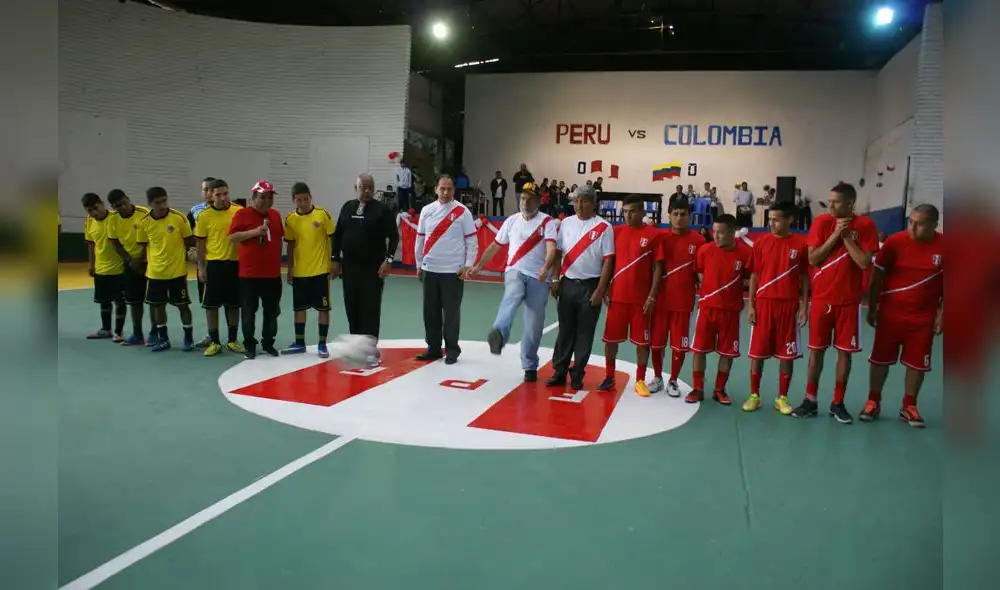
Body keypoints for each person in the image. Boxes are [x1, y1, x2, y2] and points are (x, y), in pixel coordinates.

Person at [792, 182, 879, 423]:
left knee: (845, 354)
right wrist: (834, 236)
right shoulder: (821, 222)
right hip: (821, 300)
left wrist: (847, 238)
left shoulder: (866, 226)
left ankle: (838, 403)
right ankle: (810, 399)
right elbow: (814, 258)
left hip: (848, 303)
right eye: (829, 200)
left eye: (836, 201)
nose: (830, 205)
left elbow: (864, 263)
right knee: (816, 353)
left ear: (850, 203)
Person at [862, 204, 943, 428]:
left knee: (918, 364)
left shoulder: (945, 246)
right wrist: (872, 306)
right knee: (880, 360)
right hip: (891, 314)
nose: (912, 226)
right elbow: (877, 276)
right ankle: (873, 402)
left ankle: (909, 406)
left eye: (919, 223)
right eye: (911, 221)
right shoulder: (895, 242)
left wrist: (943, 314)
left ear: (934, 225)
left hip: (922, 318)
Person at [470, 182, 557, 382]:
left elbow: (552, 248)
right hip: (515, 271)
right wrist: (478, 266)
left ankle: (529, 365)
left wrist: (546, 267)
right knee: (513, 294)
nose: (524, 202)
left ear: (538, 201)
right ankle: (499, 333)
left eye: (529, 199)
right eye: (522, 198)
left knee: (534, 326)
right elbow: (495, 246)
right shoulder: (511, 221)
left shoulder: (547, 223)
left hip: (538, 278)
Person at [547, 186, 614, 391]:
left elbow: (608, 262)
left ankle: (577, 374)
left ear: (594, 204)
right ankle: (559, 372)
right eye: (576, 201)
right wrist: (556, 279)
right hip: (567, 284)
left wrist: (600, 291)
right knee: (565, 331)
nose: (579, 205)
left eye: (584, 201)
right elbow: (558, 254)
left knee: (585, 333)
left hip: (590, 286)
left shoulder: (604, 227)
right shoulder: (566, 223)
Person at [744, 202, 809, 413]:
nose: (771, 223)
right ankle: (754, 395)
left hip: (788, 307)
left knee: (786, 355)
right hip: (763, 305)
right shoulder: (761, 243)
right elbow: (754, 276)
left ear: (790, 220)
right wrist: (751, 306)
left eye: (776, 219)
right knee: (757, 354)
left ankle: (782, 397)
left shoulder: (801, 245)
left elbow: (805, 278)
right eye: (770, 219)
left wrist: (803, 306)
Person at [331, 174, 399, 365]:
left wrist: (388, 260)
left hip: (373, 269)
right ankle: (356, 347)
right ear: (356, 188)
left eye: (370, 187)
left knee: (370, 309)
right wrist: (335, 259)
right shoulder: (347, 207)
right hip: (350, 268)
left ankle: (371, 350)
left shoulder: (382, 210)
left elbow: (394, 237)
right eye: (363, 187)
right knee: (352, 306)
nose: (367, 191)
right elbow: (338, 235)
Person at [686, 214, 752, 404]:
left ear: (733, 233)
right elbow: (699, 274)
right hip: (707, 309)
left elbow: (749, 278)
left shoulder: (745, 254)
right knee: (699, 350)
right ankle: (698, 388)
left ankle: (719, 390)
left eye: (721, 233)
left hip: (730, 311)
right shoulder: (705, 251)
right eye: (715, 232)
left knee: (727, 352)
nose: (716, 236)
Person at [600, 195, 663, 396]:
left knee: (642, 343)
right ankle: (609, 377)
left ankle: (640, 380)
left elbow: (658, 267)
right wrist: (605, 288)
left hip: (640, 301)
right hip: (617, 298)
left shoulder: (654, 235)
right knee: (610, 340)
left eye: (633, 211)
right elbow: (608, 263)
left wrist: (652, 296)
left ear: (643, 212)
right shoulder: (615, 232)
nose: (628, 215)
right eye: (625, 211)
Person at [414, 175, 477, 364]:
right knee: (430, 312)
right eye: (442, 188)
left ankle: (452, 350)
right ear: (436, 189)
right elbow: (420, 239)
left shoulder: (462, 212)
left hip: (453, 271)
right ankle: (433, 349)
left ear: (454, 191)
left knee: (451, 313)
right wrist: (419, 265)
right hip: (430, 269)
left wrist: (468, 265)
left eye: (449, 189)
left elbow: (472, 241)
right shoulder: (426, 211)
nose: (445, 192)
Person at [647, 201, 707, 396]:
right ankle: (657, 377)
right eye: (675, 214)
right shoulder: (660, 238)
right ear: (669, 215)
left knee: (679, 345)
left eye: (683, 214)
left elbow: (702, 272)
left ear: (689, 216)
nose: (679, 218)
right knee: (656, 342)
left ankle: (673, 380)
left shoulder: (699, 241)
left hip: (683, 302)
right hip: (660, 301)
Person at [135, 186, 197, 352]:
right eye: (158, 202)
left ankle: (188, 338)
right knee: (158, 307)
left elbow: (190, 240)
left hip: (177, 273)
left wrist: (197, 254)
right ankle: (163, 339)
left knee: (183, 306)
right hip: (155, 274)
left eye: (164, 201)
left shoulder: (179, 218)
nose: (162, 205)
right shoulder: (144, 223)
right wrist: (136, 264)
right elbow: (142, 248)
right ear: (150, 204)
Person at [228, 180, 284, 359]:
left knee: (272, 311)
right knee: (248, 312)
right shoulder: (242, 214)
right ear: (253, 198)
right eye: (262, 197)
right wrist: (254, 232)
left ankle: (268, 343)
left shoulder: (275, 215)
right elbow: (233, 237)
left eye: (269, 197)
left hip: (273, 275)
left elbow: (279, 238)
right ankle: (249, 345)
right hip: (249, 275)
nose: (267, 201)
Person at [282, 182, 335, 358]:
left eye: (306, 199)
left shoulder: (322, 215)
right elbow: (290, 246)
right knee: (299, 309)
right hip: (300, 272)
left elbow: (332, 239)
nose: (303, 203)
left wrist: (334, 262)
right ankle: (299, 343)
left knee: (323, 309)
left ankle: (322, 344)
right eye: (299, 200)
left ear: (311, 197)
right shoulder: (290, 219)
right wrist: (290, 268)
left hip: (320, 271)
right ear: (293, 201)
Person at [194, 178, 244, 356]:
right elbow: (200, 244)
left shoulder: (239, 211)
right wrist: (201, 267)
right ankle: (214, 341)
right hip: (214, 265)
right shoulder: (204, 216)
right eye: (218, 195)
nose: (222, 198)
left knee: (233, 304)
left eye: (225, 193)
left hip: (235, 264)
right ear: (210, 195)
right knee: (211, 306)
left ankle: (232, 340)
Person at [106, 189, 154, 346]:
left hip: (150, 262)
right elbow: (115, 243)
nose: (121, 208)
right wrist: (130, 260)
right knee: (134, 301)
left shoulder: (144, 213)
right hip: (130, 265)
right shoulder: (112, 220)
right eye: (117, 206)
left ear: (128, 199)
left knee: (155, 301)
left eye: (123, 204)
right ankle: (137, 334)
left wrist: (142, 259)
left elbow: (153, 239)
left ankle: (155, 333)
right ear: (113, 207)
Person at [82, 192, 126, 341]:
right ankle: (105, 329)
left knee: (120, 301)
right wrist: (91, 264)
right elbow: (91, 244)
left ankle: (119, 332)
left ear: (102, 203)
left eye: (95, 208)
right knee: (104, 301)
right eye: (90, 210)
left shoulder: (116, 217)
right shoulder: (89, 221)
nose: (94, 213)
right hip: (101, 269)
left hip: (119, 269)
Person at [188, 177, 215, 348]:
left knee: (229, 301)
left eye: (211, 190)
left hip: (223, 261)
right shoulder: (195, 211)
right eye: (205, 190)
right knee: (207, 301)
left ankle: (232, 337)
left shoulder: (230, 210)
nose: (208, 193)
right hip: (204, 264)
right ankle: (211, 335)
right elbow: (186, 234)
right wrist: (193, 251)